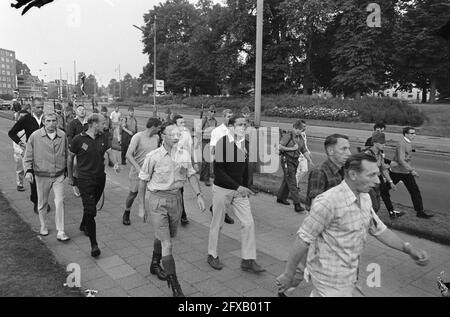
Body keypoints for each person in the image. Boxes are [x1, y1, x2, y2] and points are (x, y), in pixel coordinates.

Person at [276, 153, 430, 297]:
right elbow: (303, 239)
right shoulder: (328, 202)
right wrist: (288, 274)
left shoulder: (365, 198)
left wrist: (408, 249)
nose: (377, 181)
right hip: (329, 280)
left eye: (377, 174)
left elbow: (379, 230)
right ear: (353, 175)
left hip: (350, 277)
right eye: (372, 175)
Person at [138, 124, 205, 297]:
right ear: (163, 136)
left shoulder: (183, 155)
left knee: (163, 235)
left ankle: (154, 263)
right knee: (167, 243)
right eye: (172, 134)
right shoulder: (153, 157)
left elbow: (190, 174)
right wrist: (141, 207)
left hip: (176, 200)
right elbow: (143, 181)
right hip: (157, 200)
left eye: (178, 134)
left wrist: (199, 195)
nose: (176, 137)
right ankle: (175, 287)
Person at [207, 114, 265, 274]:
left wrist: (246, 187)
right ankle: (212, 254)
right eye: (240, 125)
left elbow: (246, 168)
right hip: (222, 189)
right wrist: (237, 186)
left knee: (248, 223)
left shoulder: (243, 143)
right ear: (231, 127)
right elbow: (218, 171)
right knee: (217, 223)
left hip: (240, 191)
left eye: (245, 125)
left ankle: (248, 260)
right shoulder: (222, 143)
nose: (244, 128)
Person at [68, 113, 121, 257]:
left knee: (90, 207)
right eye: (103, 123)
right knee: (91, 211)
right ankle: (94, 245)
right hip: (84, 180)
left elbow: (109, 152)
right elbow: (70, 158)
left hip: (100, 179)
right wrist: (71, 177)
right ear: (94, 124)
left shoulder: (103, 137)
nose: (106, 126)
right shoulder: (78, 139)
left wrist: (115, 163)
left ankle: (83, 223)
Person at [23, 112, 70, 241]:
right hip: (41, 175)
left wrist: (67, 170)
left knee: (60, 201)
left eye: (54, 121)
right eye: (48, 121)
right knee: (42, 203)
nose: (51, 124)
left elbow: (66, 153)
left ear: (57, 121)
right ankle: (43, 226)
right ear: (43, 122)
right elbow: (28, 155)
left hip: (58, 175)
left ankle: (61, 231)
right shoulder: (35, 136)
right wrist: (28, 171)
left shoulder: (62, 135)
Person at [8, 99, 46, 214]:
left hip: (46, 153)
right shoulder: (26, 119)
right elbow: (12, 132)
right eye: (38, 107)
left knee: (45, 179)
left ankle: (44, 201)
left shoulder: (47, 119)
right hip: (33, 153)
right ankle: (36, 202)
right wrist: (21, 144)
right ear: (33, 107)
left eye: (42, 107)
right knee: (33, 178)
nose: (40, 109)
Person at [122, 117, 161, 226]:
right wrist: (138, 169)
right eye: (158, 127)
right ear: (153, 127)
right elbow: (128, 155)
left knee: (156, 193)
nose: (159, 130)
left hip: (151, 172)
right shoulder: (137, 137)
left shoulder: (156, 137)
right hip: (137, 172)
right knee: (133, 193)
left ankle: (159, 216)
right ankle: (127, 211)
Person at [390, 127, 433, 219]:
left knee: (415, 191)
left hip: (405, 172)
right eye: (412, 133)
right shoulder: (401, 144)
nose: (414, 135)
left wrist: (409, 170)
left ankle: (420, 212)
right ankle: (378, 204)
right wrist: (412, 170)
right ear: (406, 134)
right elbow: (401, 160)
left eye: (414, 133)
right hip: (397, 172)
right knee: (384, 189)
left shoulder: (408, 142)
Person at [363, 132, 405, 219]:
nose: (384, 145)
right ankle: (367, 220)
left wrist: (391, 182)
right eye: (381, 143)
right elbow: (366, 170)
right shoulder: (367, 154)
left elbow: (383, 169)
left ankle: (369, 220)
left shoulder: (379, 154)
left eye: (384, 142)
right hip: (368, 181)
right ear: (375, 143)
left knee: (377, 205)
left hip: (378, 180)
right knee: (374, 205)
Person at [306, 134, 351, 211]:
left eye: (348, 148)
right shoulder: (320, 172)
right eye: (344, 149)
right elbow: (316, 209)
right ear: (331, 151)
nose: (349, 153)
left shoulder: (344, 171)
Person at [277, 120, 314, 213]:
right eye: (296, 129)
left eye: (300, 129)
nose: (298, 131)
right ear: (293, 127)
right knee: (292, 182)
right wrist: (291, 149)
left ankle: (280, 198)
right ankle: (297, 205)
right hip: (287, 160)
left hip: (295, 160)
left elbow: (303, 149)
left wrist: (309, 160)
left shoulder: (300, 137)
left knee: (287, 179)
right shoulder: (288, 136)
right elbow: (280, 147)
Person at [209, 109, 235, 225]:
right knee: (222, 188)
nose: (230, 118)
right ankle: (222, 213)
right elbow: (213, 149)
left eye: (231, 116)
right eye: (228, 116)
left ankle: (215, 207)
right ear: (223, 117)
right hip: (221, 163)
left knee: (230, 188)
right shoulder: (217, 131)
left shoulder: (234, 130)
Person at [173, 114, 196, 226]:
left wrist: (193, 162)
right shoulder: (171, 135)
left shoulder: (186, 134)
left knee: (180, 190)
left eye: (184, 122)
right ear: (175, 125)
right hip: (173, 166)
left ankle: (183, 215)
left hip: (184, 165)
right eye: (180, 123)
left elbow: (190, 149)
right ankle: (179, 214)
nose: (183, 125)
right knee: (175, 191)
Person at [66, 104, 88, 198]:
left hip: (86, 147)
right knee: (75, 164)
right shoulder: (73, 123)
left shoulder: (88, 123)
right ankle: (74, 184)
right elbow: (69, 136)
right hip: (76, 147)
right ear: (76, 112)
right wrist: (72, 147)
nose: (82, 111)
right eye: (79, 110)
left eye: (83, 109)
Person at [241, 106, 259, 193]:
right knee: (247, 166)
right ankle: (247, 185)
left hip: (250, 144)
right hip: (244, 144)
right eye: (244, 114)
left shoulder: (250, 122)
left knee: (250, 166)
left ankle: (249, 184)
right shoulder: (241, 123)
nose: (246, 115)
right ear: (242, 114)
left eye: (247, 113)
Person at [200, 105, 218, 186]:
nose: (213, 113)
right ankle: (206, 179)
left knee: (208, 160)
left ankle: (202, 176)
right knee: (206, 160)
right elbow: (199, 129)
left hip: (211, 141)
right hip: (204, 141)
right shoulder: (204, 120)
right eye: (211, 111)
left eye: (214, 112)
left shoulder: (215, 121)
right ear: (208, 112)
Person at [12, 110, 28, 192]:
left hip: (29, 152)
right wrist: (21, 152)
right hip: (20, 153)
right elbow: (15, 143)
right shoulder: (17, 129)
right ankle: (20, 184)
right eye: (22, 117)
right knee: (20, 170)